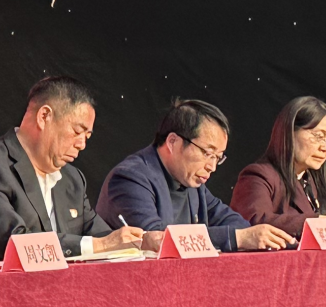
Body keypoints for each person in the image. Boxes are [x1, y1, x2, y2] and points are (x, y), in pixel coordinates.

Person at [0, 75, 153, 266]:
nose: (82, 144)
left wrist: (141, 242)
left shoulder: (72, 179)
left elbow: (103, 236)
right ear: (44, 116)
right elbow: (16, 245)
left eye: (87, 137)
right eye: (77, 131)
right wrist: (101, 245)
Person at [98, 99, 295, 252]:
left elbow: (230, 220)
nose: (212, 167)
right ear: (173, 142)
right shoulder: (130, 178)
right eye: (207, 153)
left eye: (218, 157)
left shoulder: (192, 183)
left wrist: (252, 234)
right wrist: (238, 238)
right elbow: (157, 239)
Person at [231, 95, 326, 242]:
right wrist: (321, 223)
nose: (325, 147)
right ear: (289, 133)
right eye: (319, 136)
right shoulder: (258, 176)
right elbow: (254, 224)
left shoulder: (314, 183)